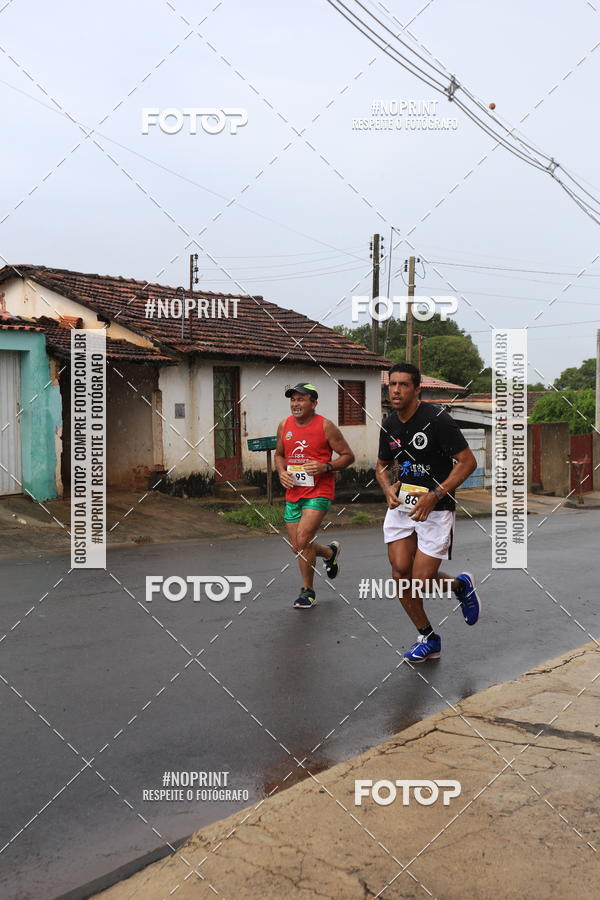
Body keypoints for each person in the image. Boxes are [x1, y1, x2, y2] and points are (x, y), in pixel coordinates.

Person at [375, 363, 481, 661]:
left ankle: (460, 585)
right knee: (400, 574)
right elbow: (381, 466)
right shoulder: (389, 423)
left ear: (417, 389)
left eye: (403, 385)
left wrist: (435, 495)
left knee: (420, 579)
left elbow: (467, 462)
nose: (396, 390)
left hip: (436, 509)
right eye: (392, 384)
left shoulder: (438, 420)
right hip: (402, 507)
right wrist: (387, 489)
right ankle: (428, 638)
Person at [275, 382, 355, 609]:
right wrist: (281, 472)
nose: (295, 404)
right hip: (294, 490)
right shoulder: (284, 425)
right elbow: (279, 455)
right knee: (298, 546)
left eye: (301, 399)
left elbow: (348, 456)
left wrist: (326, 467)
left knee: (302, 540)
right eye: (293, 400)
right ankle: (330, 552)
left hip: (319, 491)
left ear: (314, 403)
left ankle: (307, 591)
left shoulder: (326, 426)